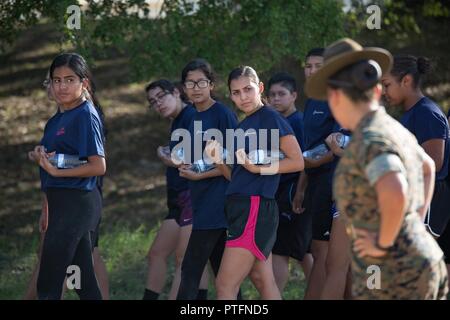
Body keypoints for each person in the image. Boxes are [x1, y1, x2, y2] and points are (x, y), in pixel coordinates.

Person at [306, 37, 448, 299]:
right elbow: (426, 167)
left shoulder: (371, 139)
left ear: (336, 99)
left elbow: (394, 187)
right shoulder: (389, 127)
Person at [205, 66, 304, 299]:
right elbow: (237, 177)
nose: (243, 97)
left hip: (254, 209)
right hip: (242, 207)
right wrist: (218, 160)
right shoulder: (243, 126)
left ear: (259, 88)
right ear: (230, 96)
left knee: (225, 286)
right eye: (236, 92)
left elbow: (297, 161)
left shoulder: (270, 118)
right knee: (263, 281)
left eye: (248, 89)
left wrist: (257, 168)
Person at [25, 71, 109, 300]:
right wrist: (41, 155)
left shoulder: (86, 114)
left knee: (49, 281)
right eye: (55, 81)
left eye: (68, 80)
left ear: (84, 84)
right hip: (59, 203)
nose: (59, 87)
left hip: (77, 203)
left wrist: (55, 169)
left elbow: (98, 166)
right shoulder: (55, 121)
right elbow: (55, 158)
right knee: (83, 282)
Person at [382, 55, 450, 290]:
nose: (383, 91)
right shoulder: (410, 113)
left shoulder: (426, 113)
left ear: (406, 80)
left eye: (387, 84)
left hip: (429, 199)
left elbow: (434, 162)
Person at [176, 59, 239, 300]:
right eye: (190, 83)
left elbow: (234, 163)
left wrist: (201, 173)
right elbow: (201, 157)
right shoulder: (193, 117)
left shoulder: (223, 114)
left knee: (190, 270)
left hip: (218, 203)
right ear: (184, 88)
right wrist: (186, 166)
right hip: (201, 201)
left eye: (201, 82)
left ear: (211, 84)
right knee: (225, 276)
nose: (196, 87)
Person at [142, 79, 208, 300]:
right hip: (178, 200)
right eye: (153, 101)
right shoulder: (177, 121)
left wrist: (168, 158)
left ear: (177, 92)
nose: (158, 104)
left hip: (195, 196)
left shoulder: (192, 116)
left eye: (161, 96)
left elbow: (200, 155)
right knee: (156, 253)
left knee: (185, 258)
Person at [295, 48, 341, 299]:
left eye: (318, 66)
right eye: (308, 65)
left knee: (325, 253)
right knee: (317, 249)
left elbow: (335, 146)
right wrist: (301, 187)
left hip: (331, 180)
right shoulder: (312, 98)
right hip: (312, 181)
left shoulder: (337, 98)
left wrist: (297, 162)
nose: (312, 70)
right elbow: (307, 148)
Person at [266, 72, 313, 294]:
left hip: (293, 194)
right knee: (303, 252)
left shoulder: (298, 122)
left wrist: (300, 193)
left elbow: (306, 160)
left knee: (282, 252)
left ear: (294, 95)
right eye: (272, 95)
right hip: (280, 192)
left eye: (281, 94)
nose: (276, 99)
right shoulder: (278, 122)